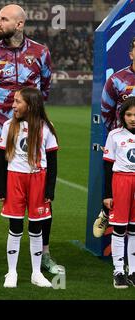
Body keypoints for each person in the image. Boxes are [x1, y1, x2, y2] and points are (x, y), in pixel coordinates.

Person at [0, 4, 57, 275]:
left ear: (19, 24)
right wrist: (1, 123)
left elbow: (45, 89)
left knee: (42, 194)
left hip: (33, 137)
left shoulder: (41, 53)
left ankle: (44, 253)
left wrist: (29, 123)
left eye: (3, 19)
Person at [0, 87, 57, 288]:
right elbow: (0, 160)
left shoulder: (45, 128)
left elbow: (53, 161)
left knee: (36, 227)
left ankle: (36, 273)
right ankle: (11, 272)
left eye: (17, 101)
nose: (13, 105)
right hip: (15, 180)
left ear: (30, 105)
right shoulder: (8, 126)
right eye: (14, 101)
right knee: (14, 227)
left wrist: (50, 189)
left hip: (38, 180)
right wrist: (1, 188)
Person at [94, 37, 135, 238]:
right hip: (124, 146)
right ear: (131, 54)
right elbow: (106, 111)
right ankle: (106, 211)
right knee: (118, 185)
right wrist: (119, 137)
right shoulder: (117, 80)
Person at [102, 96, 135, 288]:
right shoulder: (115, 135)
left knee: (134, 229)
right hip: (121, 182)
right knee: (120, 228)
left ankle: (132, 271)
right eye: (128, 114)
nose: (132, 118)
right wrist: (107, 194)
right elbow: (107, 167)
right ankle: (118, 270)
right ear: (122, 116)